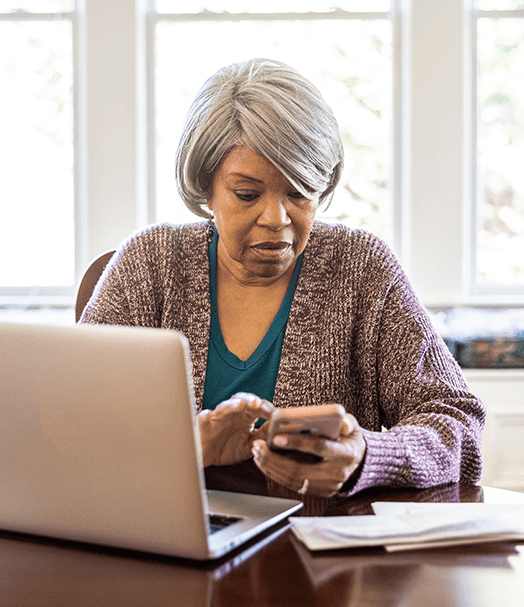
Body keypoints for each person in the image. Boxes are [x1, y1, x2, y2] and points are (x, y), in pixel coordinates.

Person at [80, 58, 485, 498]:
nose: (276, 219)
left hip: (320, 551)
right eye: (247, 194)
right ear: (206, 186)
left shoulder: (361, 268)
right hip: (164, 546)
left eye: (298, 192)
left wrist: (368, 456)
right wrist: (182, 450)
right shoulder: (150, 264)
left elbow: (457, 424)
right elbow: (70, 425)